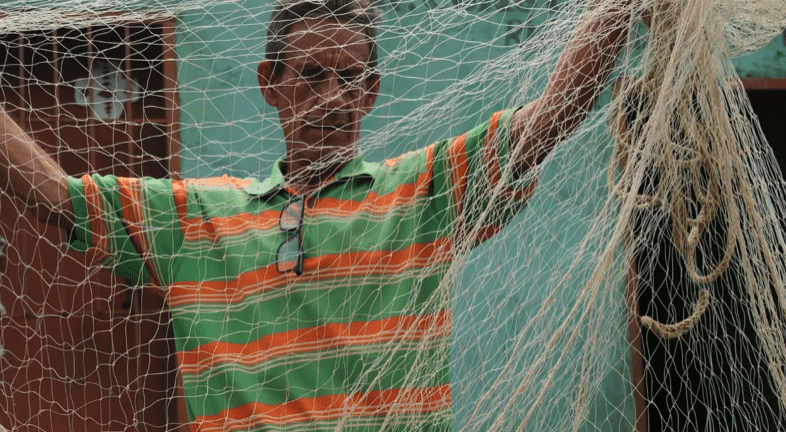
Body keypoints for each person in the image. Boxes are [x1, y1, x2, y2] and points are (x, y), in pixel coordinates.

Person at [0, 0, 631, 429]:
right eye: (311, 75)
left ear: (374, 92)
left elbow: (549, 118)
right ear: (269, 83)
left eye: (352, 79)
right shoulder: (197, 219)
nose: (334, 98)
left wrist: (619, 10)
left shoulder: (424, 192)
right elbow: (57, 196)